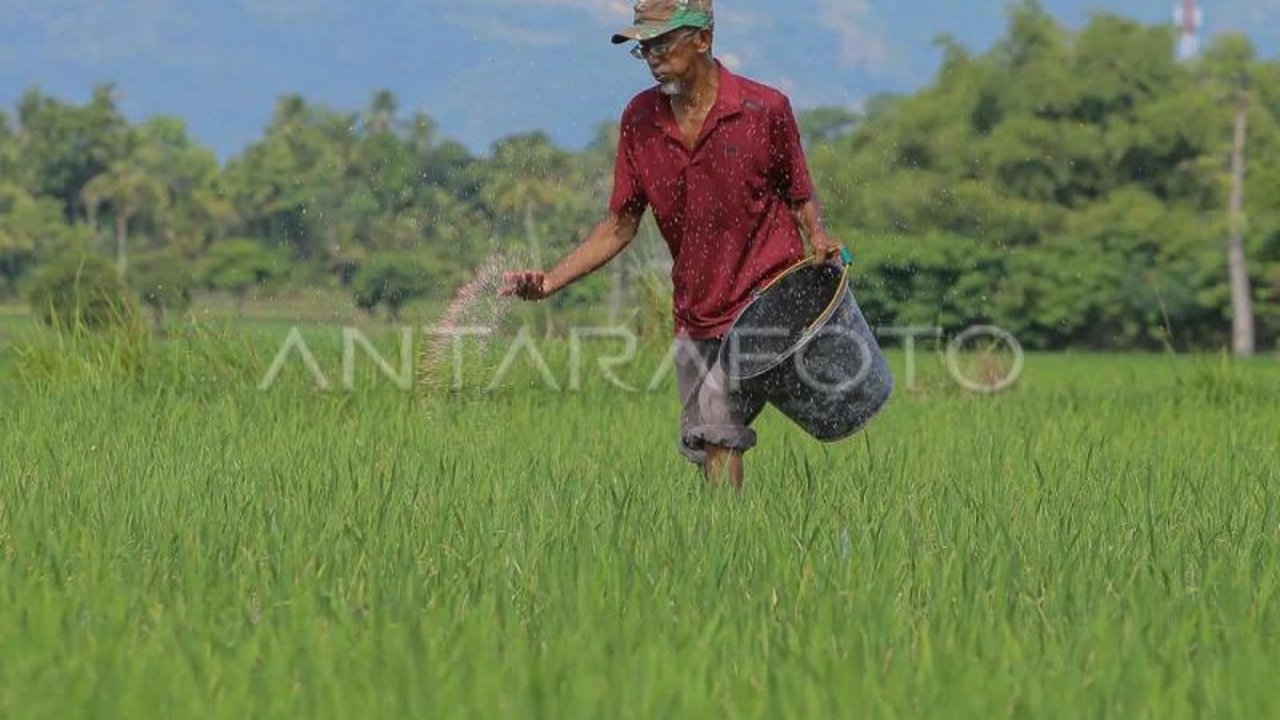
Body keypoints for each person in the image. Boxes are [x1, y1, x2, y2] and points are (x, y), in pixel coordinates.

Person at [499, 0, 841, 489]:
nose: (652, 53)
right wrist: (551, 280)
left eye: (662, 41)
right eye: (644, 46)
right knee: (702, 438)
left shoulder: (764, 109)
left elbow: (799, 193)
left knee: (718, 411)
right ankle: (721, 550)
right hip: (697, 306)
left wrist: (819, 237)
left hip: (768, 295)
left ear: (701, 40)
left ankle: (728, 540)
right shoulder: (640, 119)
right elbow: (619, 225)